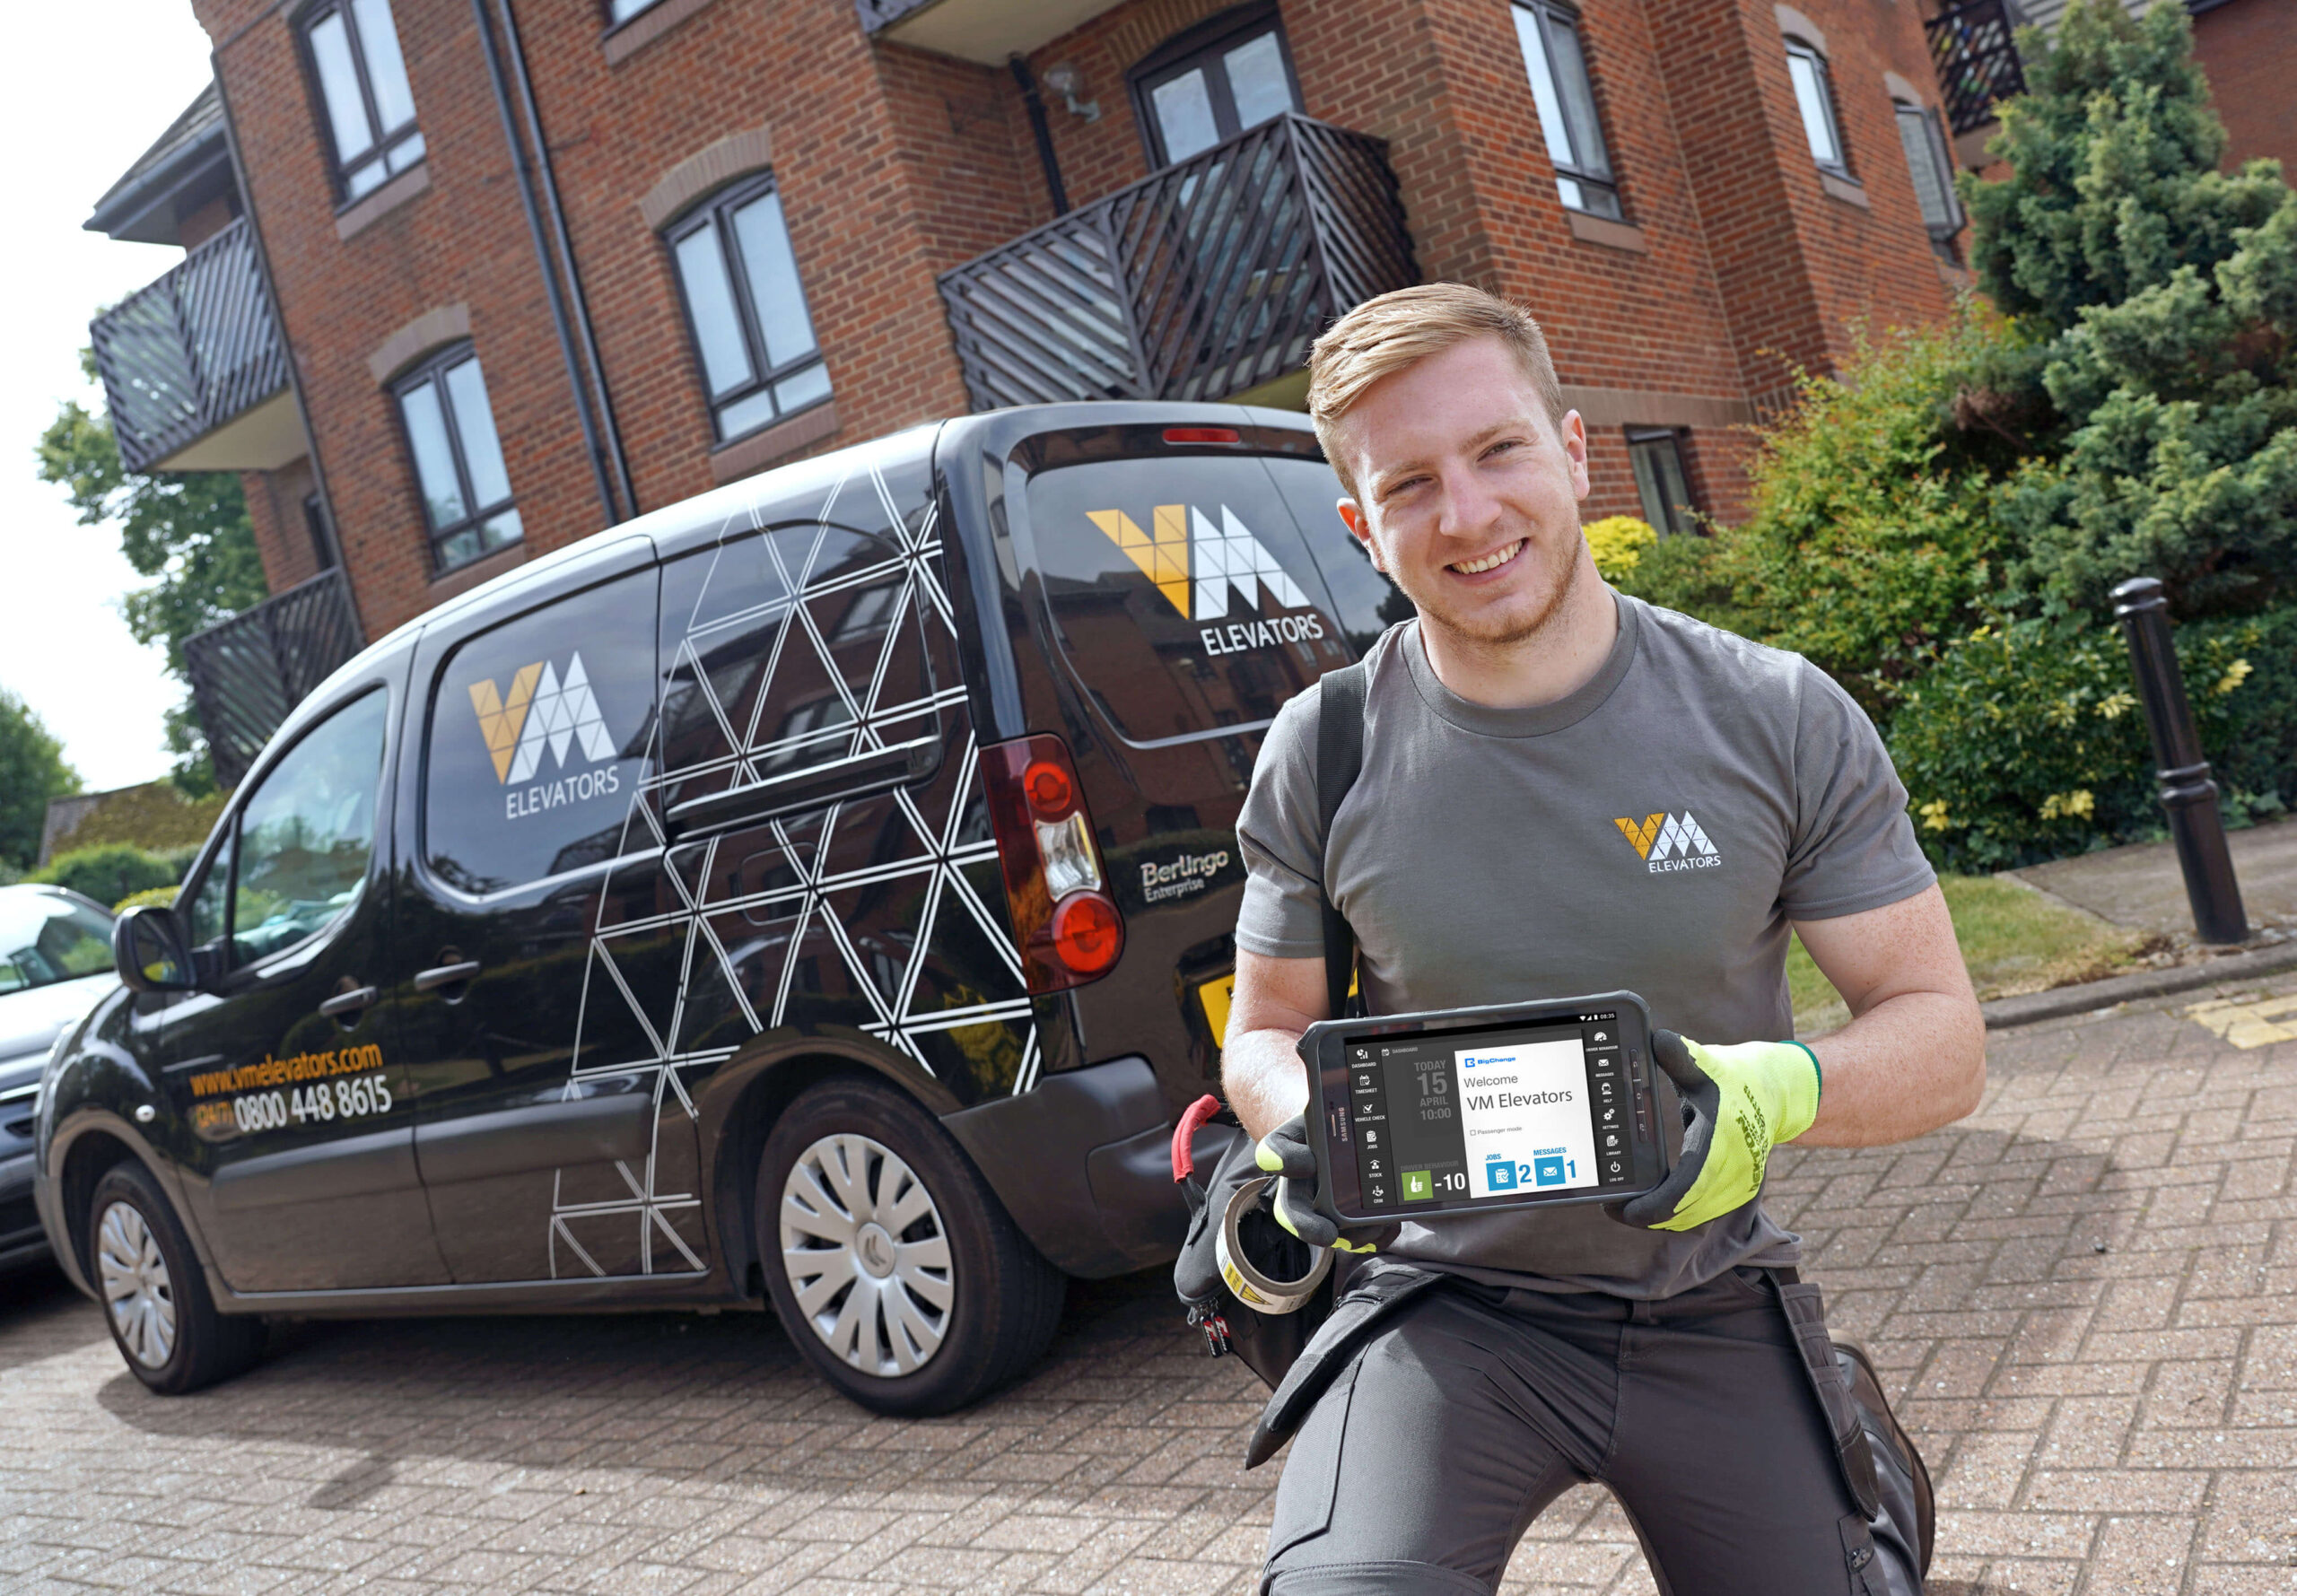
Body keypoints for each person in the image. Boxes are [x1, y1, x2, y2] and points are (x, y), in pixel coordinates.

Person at [1223, 282, 1987, 1596]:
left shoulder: (1775, 717)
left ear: (1573, 453)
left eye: (1498, 450)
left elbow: (1943, 1037)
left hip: (1707, 1294)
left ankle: (1844, 1468)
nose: (1466, 516)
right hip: (1439, 1311)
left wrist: (1773, 1094)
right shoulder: (1325, 748)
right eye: (1408, 485)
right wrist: (1303, 1123)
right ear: (1361, 528)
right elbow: (1266, 1028)